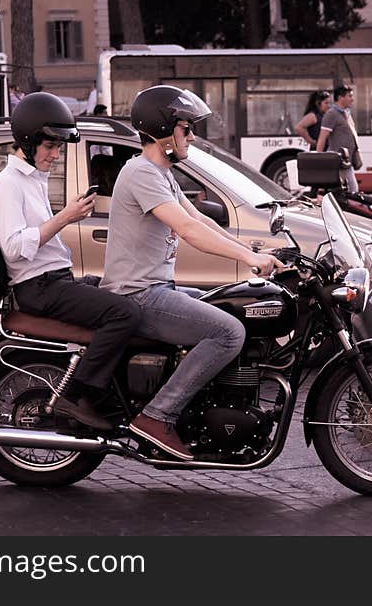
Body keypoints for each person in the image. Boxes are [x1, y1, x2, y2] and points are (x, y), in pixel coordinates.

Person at [101, 84, 283, 460]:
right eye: (186, 128)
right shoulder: (140, 172)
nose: (192, 136)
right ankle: (157, 415)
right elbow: (189, 231)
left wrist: (254, 250)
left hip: (156, 288)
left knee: (232, 308)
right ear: (164, 129)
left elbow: (198, 217)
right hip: (138, 295)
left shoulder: (161, 173)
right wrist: (249, 262)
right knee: (228, 331)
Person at [0, 92, 141, 431]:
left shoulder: (32, 181)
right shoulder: (7, 186)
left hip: (56, 280)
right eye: (50, 146)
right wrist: (65, 218)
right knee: (124, 313)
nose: (56, 154)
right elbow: (15, 248)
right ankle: (80, 398)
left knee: (127, 291)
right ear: (28, 142)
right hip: (38, 288)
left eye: (58, 147)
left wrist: (64, 214)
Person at [316, 84, 361, 170]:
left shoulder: (346, 113)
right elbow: (322, 139)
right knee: (350, 184)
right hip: (337, 162)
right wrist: (319, 161)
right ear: (341, 98)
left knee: (351, 184)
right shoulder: (331, 114)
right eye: (350, 96)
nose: (352, 99)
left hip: (346, 161)